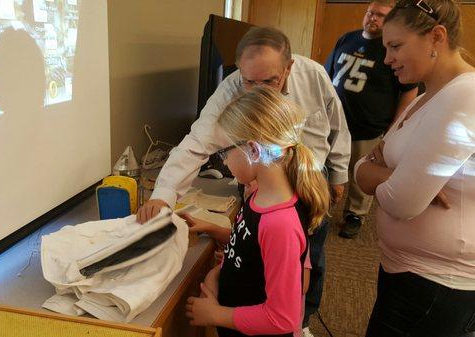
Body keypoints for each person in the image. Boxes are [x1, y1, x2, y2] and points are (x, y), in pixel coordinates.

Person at [137, 27, 351, 336]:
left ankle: (304, 323)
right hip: (264, 177)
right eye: (248, 81)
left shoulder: (314, 75)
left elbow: (337, 124)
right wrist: (164, 195)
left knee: (306, 258)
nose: (258, 90)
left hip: (307, 178)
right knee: (282, 259)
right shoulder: (254, 196)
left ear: (289, 68)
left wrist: (340, 173)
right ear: (238, 70)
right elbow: (198, 142)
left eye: (269, 81)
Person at [354, 1, 475, 336]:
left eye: (395, 46)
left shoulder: (464, 96)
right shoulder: (425, 98)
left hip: (436, 285)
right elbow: (363, 167)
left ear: (437, 37)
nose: (387, 59)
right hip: (408, 273)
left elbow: (401, 201)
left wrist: (385, 174)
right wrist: (392, 175)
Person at [184, 86, 330, 337]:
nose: (225, 162)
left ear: (253, 150)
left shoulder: (280, 224)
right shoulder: (258, 197)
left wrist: (215, 315)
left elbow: (282, 318)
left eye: (224, 152)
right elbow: (251, 245)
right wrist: (217, 272)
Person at [325, 0, 418, 239]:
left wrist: (395, 126)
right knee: (327, 168)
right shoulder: (347, 39)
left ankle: (355, 214)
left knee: (359, 174)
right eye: (370, 13)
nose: (372, 18)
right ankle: (320, 205)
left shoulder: (391, 48)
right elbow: (327, 77)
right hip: (335, 123)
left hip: (368, 126)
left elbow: (409, 89)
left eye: (380, 15)